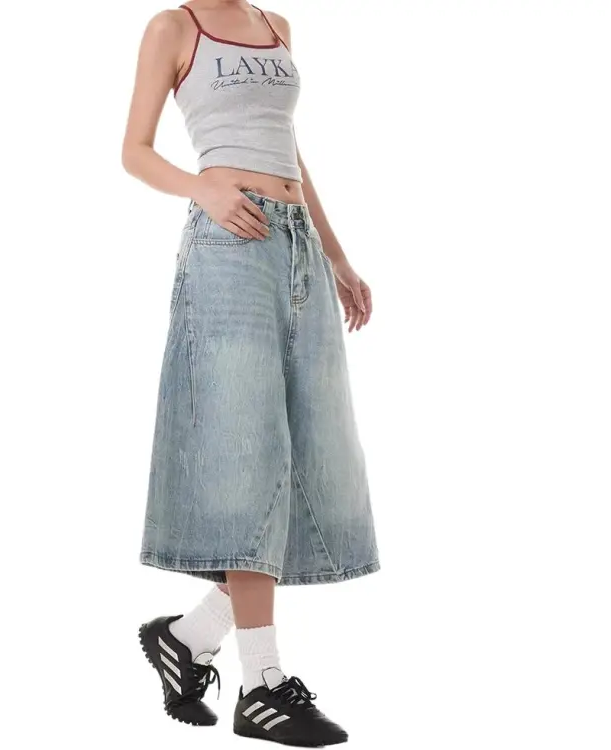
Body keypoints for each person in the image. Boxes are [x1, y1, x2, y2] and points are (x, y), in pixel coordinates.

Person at [122, 1, 379, 745]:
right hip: (229, 250)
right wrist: (201, 187)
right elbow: (134, 150)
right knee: (248, 456)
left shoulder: (276, 26)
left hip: (297, 246)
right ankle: (262, 684)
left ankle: (186, 639)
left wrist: (336, 255)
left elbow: (289, 149)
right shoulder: (173, 28)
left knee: (308, 461)